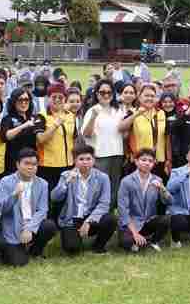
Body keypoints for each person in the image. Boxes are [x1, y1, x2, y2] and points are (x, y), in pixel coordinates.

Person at [51, 146, 117, 255]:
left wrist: (88, 221)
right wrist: (66, 183)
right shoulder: (66, 175)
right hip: (72, 219)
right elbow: (54, 197)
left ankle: (98, 246)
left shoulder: (102, 178)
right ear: (75, 161)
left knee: (110, 219)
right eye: (81, 159)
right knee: (72, 248)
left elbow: (104, 204)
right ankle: (75, 239)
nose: (85, 162)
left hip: (91, 217)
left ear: (93, 160)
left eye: (88, 159)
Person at [0, 149, 57, 266]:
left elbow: (42, 210)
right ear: (18, 164)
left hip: (32, 225)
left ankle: (35, 250)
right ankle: (15, 249)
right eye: (27, 163)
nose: (31, 167)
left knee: (49, 226)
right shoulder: (6, 182)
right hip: (13, 227)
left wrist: (29, 228)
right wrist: (14, 195)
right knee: (17, 263)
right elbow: (1, 210)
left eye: (34, 164)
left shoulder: (42, 183)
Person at [117, 148, 171, 252]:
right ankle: (139, 241)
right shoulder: (126, 181)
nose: (147, 163)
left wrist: (163, 189)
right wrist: (135, 233)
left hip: (148, 222)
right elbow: (123, 210)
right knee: (126, 242)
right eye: (143, 160)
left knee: (166, 220)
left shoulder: (157, 180)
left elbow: (169, 202)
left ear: (154, 163)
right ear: (136, 161)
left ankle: (153, 241)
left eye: (150, 161)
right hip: (131, 224)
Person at [81, 80, 126, 203]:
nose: (106, 95)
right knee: (99, 189)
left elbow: (124, 131)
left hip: (117, 153)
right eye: (102, 92)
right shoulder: (92, 110)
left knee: (114, 188)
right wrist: (94, 116)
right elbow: (86, 134)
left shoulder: (118, 111)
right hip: (100, 155)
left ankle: (109, 217)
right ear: (96, 94)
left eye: (109, 92)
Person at [37, 83, 76, 220]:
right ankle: (46, 223)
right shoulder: (41, 116)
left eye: (61, 96)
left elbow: (74, 138)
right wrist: (55, 124)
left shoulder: (71, 115)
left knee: (64, 195)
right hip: (47, 165)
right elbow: (40, 139)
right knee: (48, 196)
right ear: (48, 98)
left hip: (67, 163)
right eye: (54, 97)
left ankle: (60, 222)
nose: (58, 99)